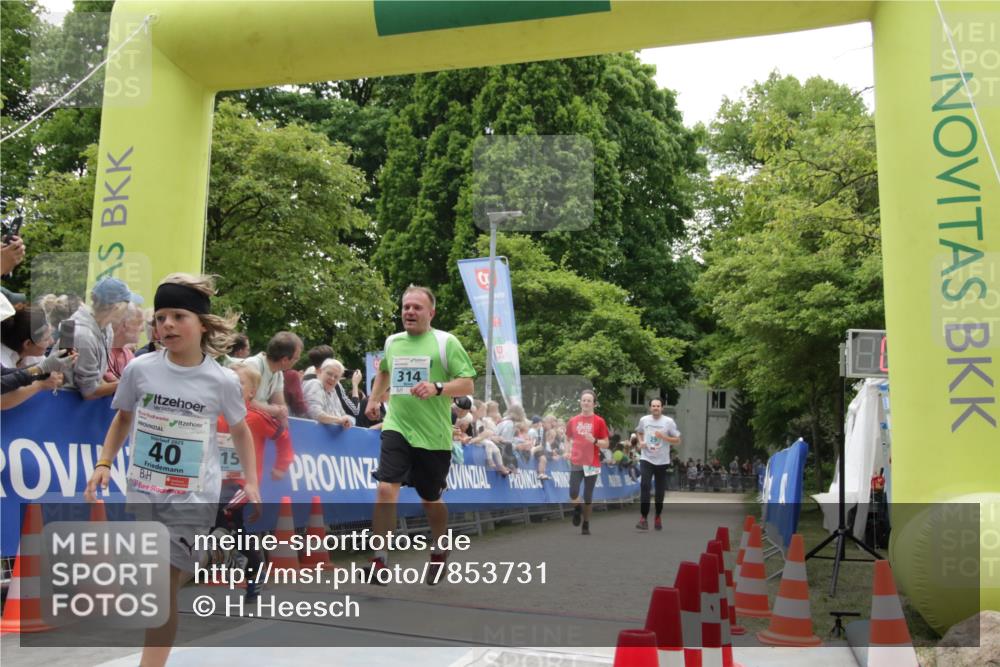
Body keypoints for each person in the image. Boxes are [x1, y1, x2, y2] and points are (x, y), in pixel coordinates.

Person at [85, 273, 261, 667]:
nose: (166, 325)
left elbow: (241, 431)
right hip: (145, 491)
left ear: (202, 324)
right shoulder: (140, 369)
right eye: (161, 317)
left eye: (178, 316)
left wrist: (251, 482)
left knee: (161, 588)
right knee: (156, 583)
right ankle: (207, 554)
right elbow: (122, 418)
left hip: (193, 497)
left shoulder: (221, 381)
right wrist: (104, 462)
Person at [363, 285, 475, 584]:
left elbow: (467, 384)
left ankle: (440, 548)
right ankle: (379, 560)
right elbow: (384, 372)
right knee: (386, 488)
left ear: (431, 312)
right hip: (398, 425)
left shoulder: (445, 342)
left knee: (430, 500)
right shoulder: (392, 342)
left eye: (417, 307)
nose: (409, 312)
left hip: (433, 435)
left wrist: (437, 387)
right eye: (405, 307)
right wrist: (375, 398)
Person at [67, 277, 143, 399]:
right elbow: (89, 392)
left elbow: (97, 378)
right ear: (116, 307)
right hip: (64, 404)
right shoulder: (83, 335)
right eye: (127, 305)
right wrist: (127, 383)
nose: (128, 311)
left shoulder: (106, 329)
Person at [565, 389, 609, 536]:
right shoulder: (573, 420)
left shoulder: (599, 421)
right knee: (573, 492)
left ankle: (586, 523)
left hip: (592, 462)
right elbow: (567, 438)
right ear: (580, 402)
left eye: (589, 401)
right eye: (584, 400)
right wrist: (567, 450)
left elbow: (606, 444)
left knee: (588, 495)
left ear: (594, 404)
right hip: (576, 461)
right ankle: (577, 509)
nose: (586, 403)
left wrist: (595, 441)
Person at [635, 397, 681, 531]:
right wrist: (641, 441)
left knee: (660, 492)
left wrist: (664, 437)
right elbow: (639, 431)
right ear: (650, 408)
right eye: (653, 406)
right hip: (646, 458)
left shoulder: (668, 422)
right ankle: (643, 518)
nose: (655, 408)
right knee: (645, 485)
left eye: (658, 406)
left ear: (662, 408)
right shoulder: (644, 420)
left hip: (662, 460)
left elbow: (678, 440)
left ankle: (658, 516)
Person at [245, 331, 302, 429]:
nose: (297, 362)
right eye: (296, 359)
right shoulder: (252, 365)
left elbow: (280, 404)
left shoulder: (278, 373)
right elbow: (243, 401)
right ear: (284, 360)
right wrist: (274, 410)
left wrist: (282, 411)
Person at [302, 358, 353, 428]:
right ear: (320, 372)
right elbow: (315, 413)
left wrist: (347, 421)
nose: (332, 378)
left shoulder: (333, 391)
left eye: (336, 377)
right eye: (329, 374)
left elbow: (343, 415)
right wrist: (339, 420)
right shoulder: (315, 383)